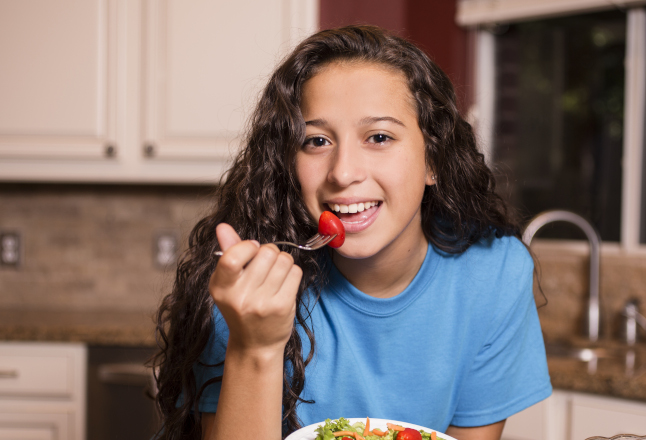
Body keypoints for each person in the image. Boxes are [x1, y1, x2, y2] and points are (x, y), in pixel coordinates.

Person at [153, 25, 552, 440]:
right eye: (317, 141)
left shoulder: (495, 274)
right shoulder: (248, 289)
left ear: (434, 160)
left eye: (379, 137)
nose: (343, 173)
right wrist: (255, 346)